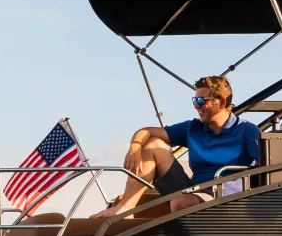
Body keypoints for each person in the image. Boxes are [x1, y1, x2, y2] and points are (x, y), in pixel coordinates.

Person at [111, 75, 263, 215]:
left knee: (182, 203)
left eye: (201, 101)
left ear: (221, 102)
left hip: (226, 198)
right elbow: (147, 131)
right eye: (195, 100)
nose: (196, 106)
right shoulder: (193, 128)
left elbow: (267, 166)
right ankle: (126, 208)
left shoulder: (247, 130)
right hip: (195, 190)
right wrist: (135, 148)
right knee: (152, 144)